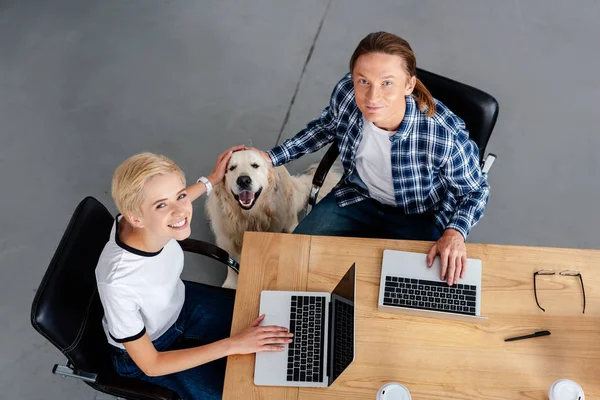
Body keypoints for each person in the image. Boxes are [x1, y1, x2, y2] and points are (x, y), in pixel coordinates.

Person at [252, 32, 490, 286]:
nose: (372, 97)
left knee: (417, 293)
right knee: (291, 261)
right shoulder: (346, 92)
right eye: (363, 81)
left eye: (387, 83)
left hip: (418, 215)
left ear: (409, 85)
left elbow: (475, 191)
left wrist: (455, 233)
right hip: (357, 197)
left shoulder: (442, 134)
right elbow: (325, 127)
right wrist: (271, 157)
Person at [95, 147, 293, 400]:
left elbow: (170, 200)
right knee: (246, 393)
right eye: (161, 205)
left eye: (179, 196)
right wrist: (234, 344)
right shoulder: (119, 281)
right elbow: (151, 364)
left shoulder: (143, 218)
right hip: (152, 353)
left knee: (278, 319)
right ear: (136, 218)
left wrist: (210, 180)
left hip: (182, 307)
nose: (180, 212)